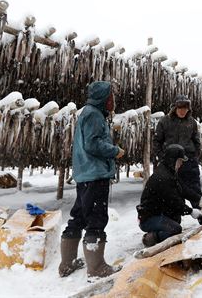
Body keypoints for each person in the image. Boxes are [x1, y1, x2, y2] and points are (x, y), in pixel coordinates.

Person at [59, 80, 124, 278]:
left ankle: (67, 264)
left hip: (85, 174)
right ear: (104, 98)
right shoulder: (94, 115)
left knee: (78, 216)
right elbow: (93, 144)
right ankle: (96, 268)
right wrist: (115, 151)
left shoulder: (88, 113)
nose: (113, 100)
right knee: (96, 219)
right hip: (95, 175)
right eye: (111, 96)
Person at [137, 144, 202, 246]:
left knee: (176, 220)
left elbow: (183, 190)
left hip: (159, 212)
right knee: (175, 229)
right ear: (173, 160)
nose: (181, 164)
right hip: (149, 217)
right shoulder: (163, 177)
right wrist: (191, 211)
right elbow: (173, 201)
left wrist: (200, 199)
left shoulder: (170, 171)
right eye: (180, 161)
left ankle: (162, 228)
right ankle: (151, 238)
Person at [153, 94, 202, 224]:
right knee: (172, 193)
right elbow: (157, 141)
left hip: (189, 163)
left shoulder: (192, 123)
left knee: (195, 192)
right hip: (171, 163)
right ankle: (173, 224)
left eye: (185, 108)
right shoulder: (164, 122)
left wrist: (194, 157)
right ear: (174, 107)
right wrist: (164, 159)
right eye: (180, 108)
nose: (182, 111)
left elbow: (197, 142)